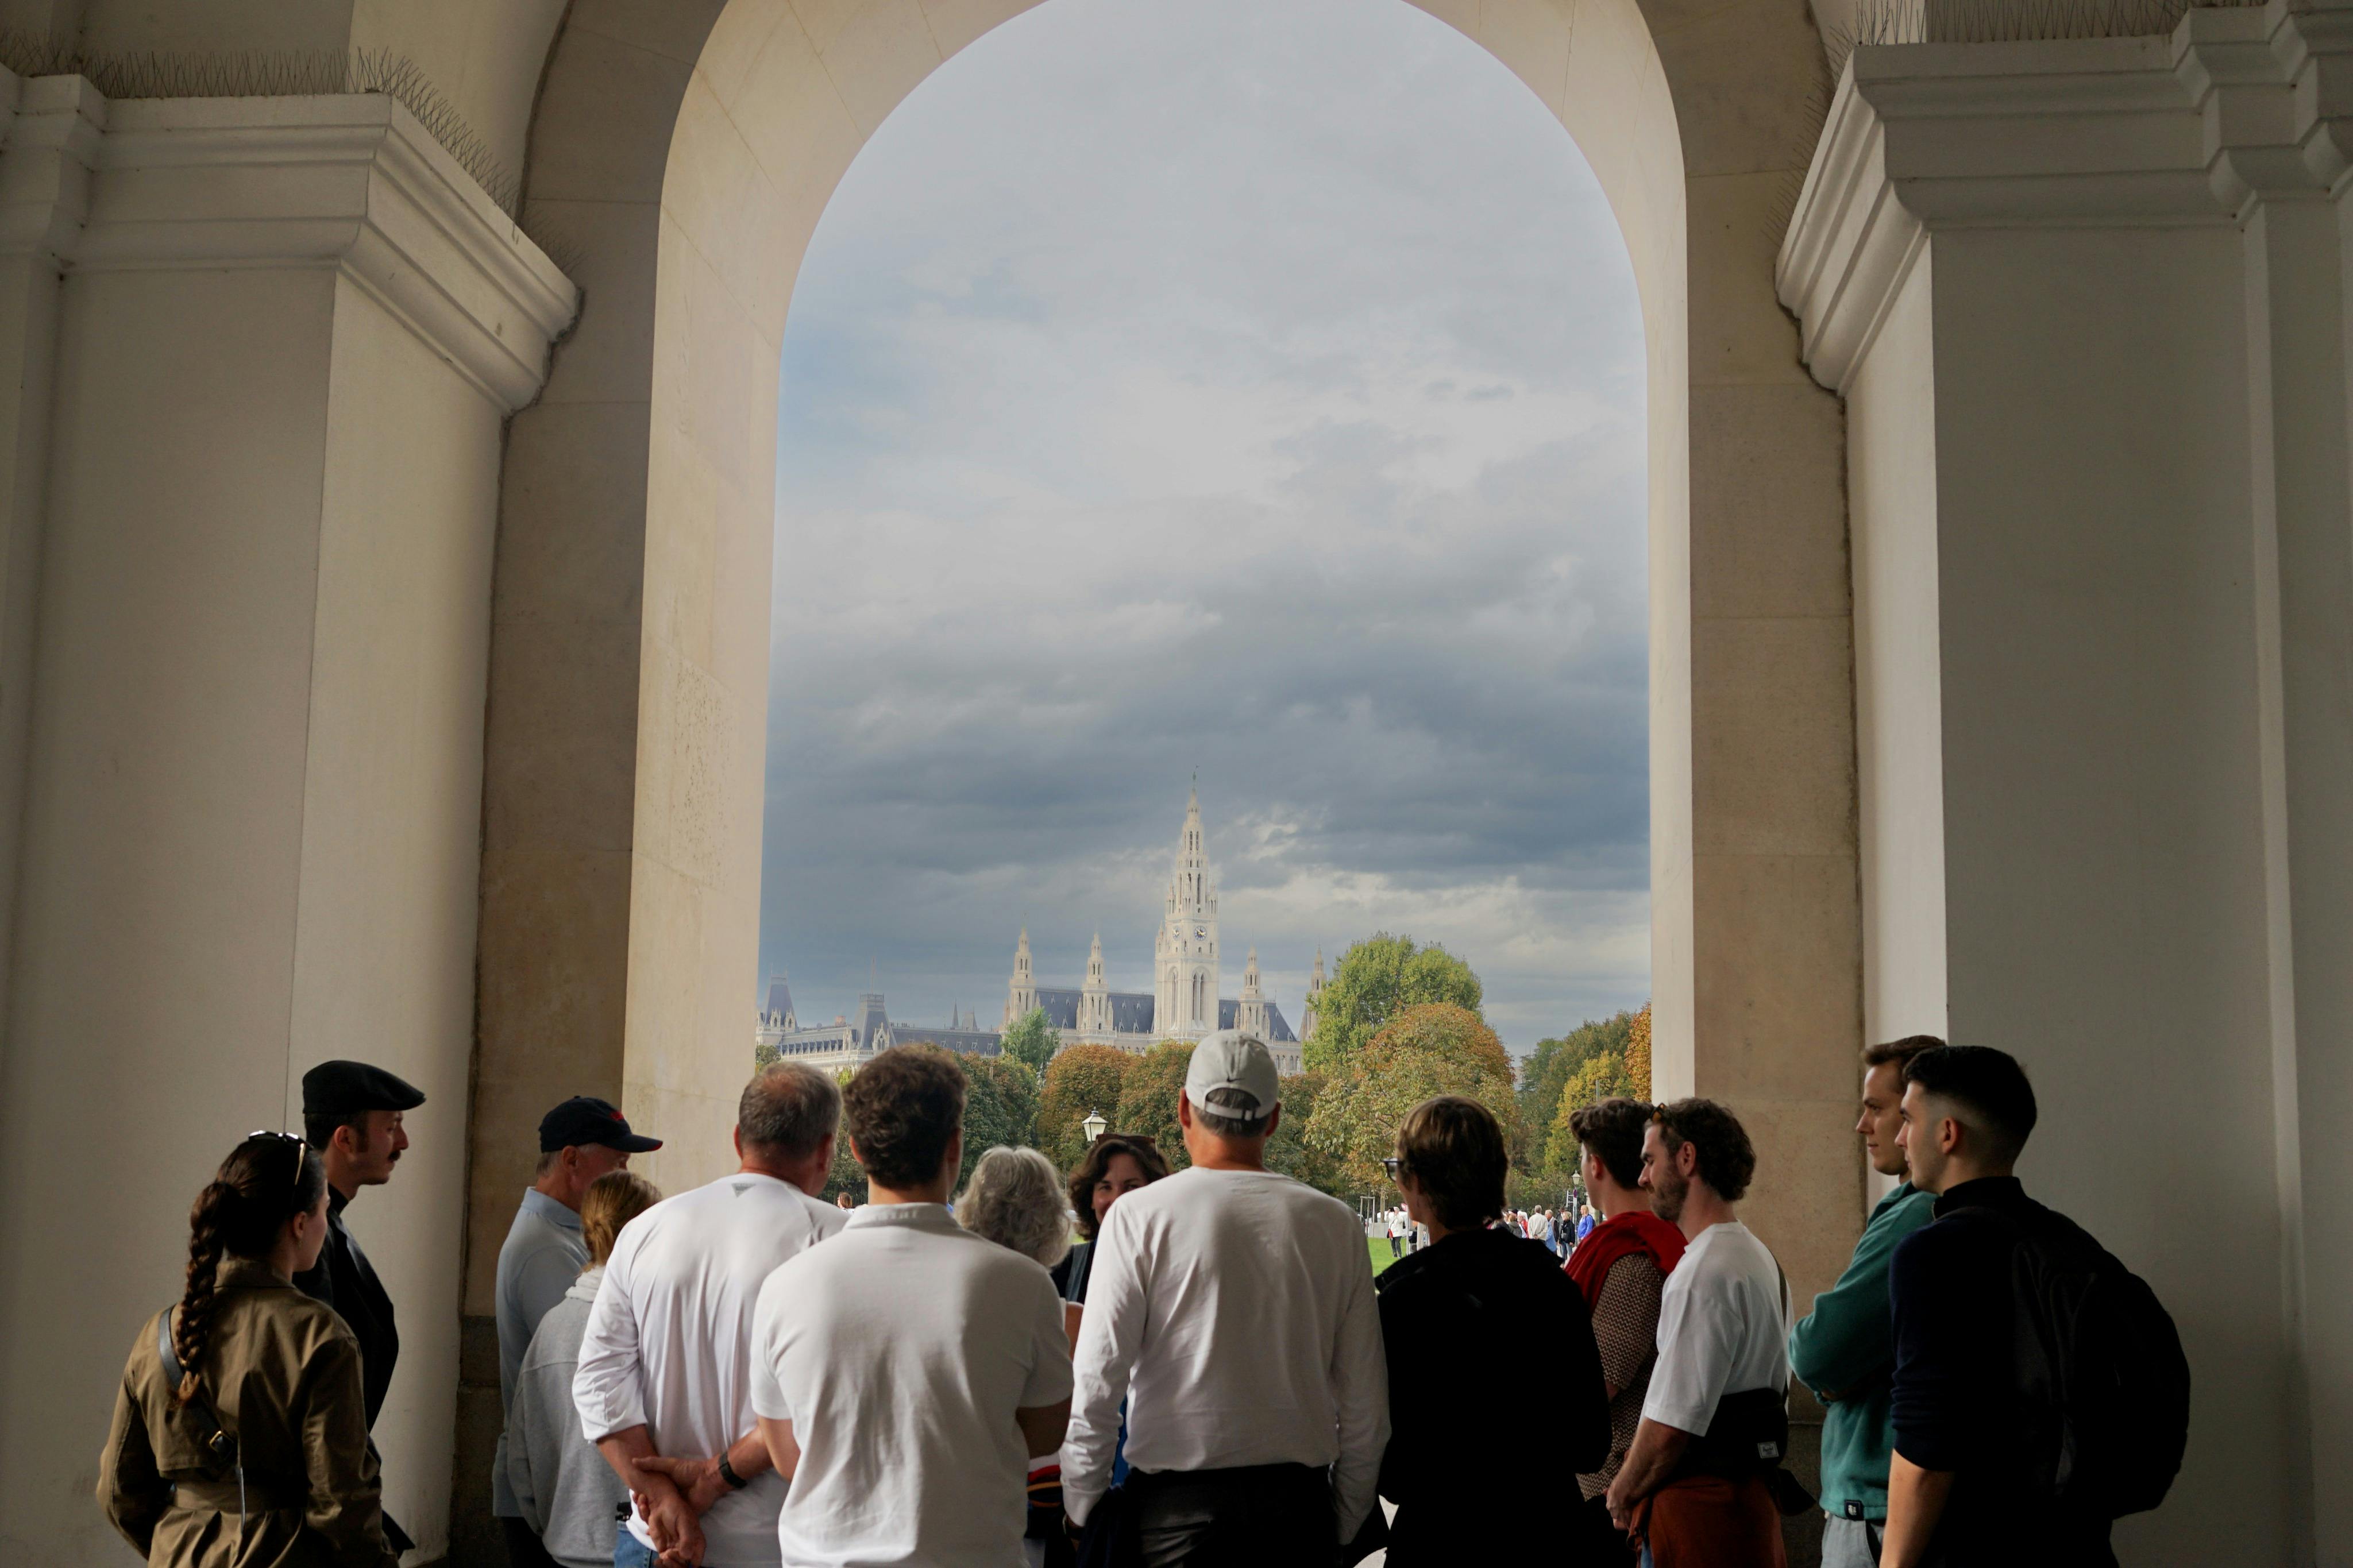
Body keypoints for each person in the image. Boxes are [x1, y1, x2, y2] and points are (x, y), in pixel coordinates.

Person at [1063, 1030, 1388, 1566]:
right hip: (1296, 1514)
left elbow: (1098, 1386)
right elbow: (1366, 1410)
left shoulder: (1138, 1218)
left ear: (1184, 1111)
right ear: (1274, 1119)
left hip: (1173, 1519)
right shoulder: (1335, 1225)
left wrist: (1082, 1512)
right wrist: (1344, 1520)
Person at [750, 1049, 1074, 1567]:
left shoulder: (787, 1286)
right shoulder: (1023, 1285)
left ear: (853, 1148)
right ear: (955, 1145)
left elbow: (789, 1456)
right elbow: (1045, 1432)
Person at [1882, 1045, 2147, 1568]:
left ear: (1948, 1133)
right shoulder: (2070, 1241)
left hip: (1978, 1544)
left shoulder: (1931, 1253)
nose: (1898, 1136)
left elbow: (1927, 1451)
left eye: (1908, 1119)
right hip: (2077, 1542)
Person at [573, 1062, 846, 1568]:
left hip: (655, 1540)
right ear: (827, 1148)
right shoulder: (835, 1240)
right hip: (776, 1545)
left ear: (739, 1137)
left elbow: (597, 1381)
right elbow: (820, 1397)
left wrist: (661, 1495)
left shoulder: (646, 1229)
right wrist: (714, 1479)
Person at [100, 1130, 399, 1568]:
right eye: (323, 1211)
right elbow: (341, 1506)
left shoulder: (158, 1334)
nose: (324, 1224)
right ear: (300, 1224)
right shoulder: (320, 1336)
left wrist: (178, 1543)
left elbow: (118, 1491)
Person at [1375, 1096, 1610, 1564]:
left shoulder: (1403, 1305)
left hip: (1438, 1537)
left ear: (1414, 1183)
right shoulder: (1553, 1288)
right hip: (1546, 1532)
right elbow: (1589, 1443)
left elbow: (1391, 1472)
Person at [1603, 1099, 1790, 1568]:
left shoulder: (1702, 1272)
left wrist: (1622, 1492)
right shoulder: (1755, 1254)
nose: (1643, 1179)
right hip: (1745, 1502)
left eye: (1649, 1161)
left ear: (1686, 1159)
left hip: (1699, 1515)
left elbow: (1670, 1425)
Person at [1791, 1038, 1941, 1566]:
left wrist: (1832, 1376)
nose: (1863, 1125)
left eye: (1876, 1109)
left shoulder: (1916, 1213)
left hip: (1876, 1508)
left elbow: (1816, 1350)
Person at [495, 1097, 662, 1568]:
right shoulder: (544, 1247)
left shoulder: (562, 1236)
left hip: (569, 1507)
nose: (624, 1175)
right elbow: (578, 1382)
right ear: (571, 1160)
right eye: (618, 1163)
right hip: (574, 1506)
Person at [294, 1059, 425, 1553]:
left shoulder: (328, 1224)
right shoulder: (306, 1242)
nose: (404, 1142)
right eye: (391, 1128)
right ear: (345, 1140)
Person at [1566, 1097, 1688, 1566]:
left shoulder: (1633, 1262)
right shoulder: (1638, 1244)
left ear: (1595, 1166)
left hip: (1612, 1490)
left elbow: (1594, 1389)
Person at [954, 1144, 1081, 1568]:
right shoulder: (1069, 1315)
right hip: (1043, 1505)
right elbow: (1053, 1431)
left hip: (971, 1500)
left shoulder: (953, 1295)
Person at [1051, 1132, 1168, 1307]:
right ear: (1090, 1197)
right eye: (1106, 1187)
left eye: (1131, 1187)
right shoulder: (1064, 1269)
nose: (1117, 1200)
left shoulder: (1173, 1269)